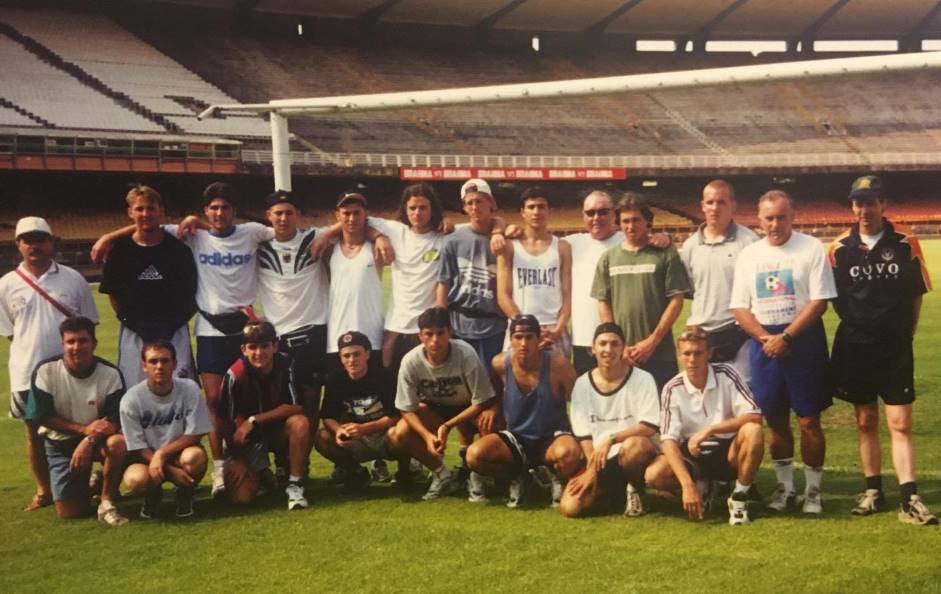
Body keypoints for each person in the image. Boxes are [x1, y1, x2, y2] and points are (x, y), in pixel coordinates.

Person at [92, 181, 275, 498]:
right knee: (210, 401)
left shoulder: (247, 233)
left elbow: (287, 233)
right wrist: (110, 235)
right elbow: (145, 228)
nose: (219, 212)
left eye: (225, 207)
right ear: (206, 211)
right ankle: (202, 467)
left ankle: (258, 465)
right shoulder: (188, 237)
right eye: (213, 208)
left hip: (234, 329)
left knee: (246, 398)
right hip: (199, 332)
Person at [828, 175, 937, 525]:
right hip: (856, 346)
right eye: (858, 202)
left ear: (883, 204)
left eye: (871, 201)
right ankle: (873, 489)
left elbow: (916, 293)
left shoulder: (906, 242)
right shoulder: (838, 248)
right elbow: (835, 299)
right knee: (865, 420)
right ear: (852, 206)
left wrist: (904, 333)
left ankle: (910, 497)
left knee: (900, 422)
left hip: (894, 346)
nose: (864, 209)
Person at [730, 190, 837, 515]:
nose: (775, 224)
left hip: (802, 340)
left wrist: (787, 337)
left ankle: (813, 493)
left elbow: (819, 301)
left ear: (793, 216)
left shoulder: (811, 248)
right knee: (775, 420)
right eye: (769, 218)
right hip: (764, 344)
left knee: (808, 420)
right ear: (758, 219)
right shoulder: (749, 255)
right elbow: (739, 307)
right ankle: (786, 488)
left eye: (781, 217)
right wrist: (766, 338)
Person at [1, 216, 98, 512]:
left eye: (40, 239)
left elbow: (89, 324)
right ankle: (43, 490)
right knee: (34, 433)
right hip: (27, 372)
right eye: (28, 240)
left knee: (84, 426)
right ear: (18, 245)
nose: (35, 245)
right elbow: (10, 333)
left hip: (73, 372)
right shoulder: (6, 285)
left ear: (52, 242)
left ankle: (90, 480)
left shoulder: (73, 279)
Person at [645, 326, 764, 525]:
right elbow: (668, 441)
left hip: (728, 451)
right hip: (693, 456)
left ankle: (739, 497)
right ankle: (704, 488)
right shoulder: (671, 388)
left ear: (709, 353)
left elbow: (754, 416)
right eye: (687, 354)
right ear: (679, 355)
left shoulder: (727, 373)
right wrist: (687, 485)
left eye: (698, 353)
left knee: (753, 431)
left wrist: (710, 430)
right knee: (654, 474)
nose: (692, 360)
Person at [465, 314, 581, 508]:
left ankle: (555, 476)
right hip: (516, 438)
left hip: (552, 438)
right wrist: (494, 408)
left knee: (568, 453)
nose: (523, 343)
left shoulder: (558, 365)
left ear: (539, 339)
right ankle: (519, 477)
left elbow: (579, 404)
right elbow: (494, 393)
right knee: (474, 456)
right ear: (510, 340)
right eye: (518, 337)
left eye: (529, 337)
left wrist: (582, 442)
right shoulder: (500, 364)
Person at [386, 307, 498, 501]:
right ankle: (442, 474)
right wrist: (427, 435)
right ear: (420, 335)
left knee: (491, 420)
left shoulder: (465, 354)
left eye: (440, 333)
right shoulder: (411, 361)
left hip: (468, 407)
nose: (435, 340)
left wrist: (448, 426)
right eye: (429, 334)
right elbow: (406, 408)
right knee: (399, 433)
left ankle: (476, 474)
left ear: (450, 332)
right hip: (435, 407)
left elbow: (482, 399)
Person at [25, 316, 127, 525]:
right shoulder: (46, 371)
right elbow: (43, 416)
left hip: (98, 441)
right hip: (60, 442)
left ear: (94, 343)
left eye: (83, 340)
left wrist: (88, 440)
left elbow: (114, 420)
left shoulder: (110, 374)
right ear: (62, 344)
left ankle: (107, 500)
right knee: (70, 512)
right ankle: (95, 483)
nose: (76, 347)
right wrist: (83, 430)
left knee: (118, 443)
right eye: (70, 342)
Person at [99, 184, 198, 386]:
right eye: (139, 209)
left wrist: (170, 325)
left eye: (151, 208)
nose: (146, 214)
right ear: (130, 212)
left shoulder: (179, 250)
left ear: (161, 211)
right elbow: (113, 294)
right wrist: (133, 323)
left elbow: (191, 294)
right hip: (134, 332)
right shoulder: (120, 251)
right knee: (133, 389)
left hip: (174, 332)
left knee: (182, 388)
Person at [558, 322, 660, 518]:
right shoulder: (581, 384)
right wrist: (591, 472)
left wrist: (612, 439)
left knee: (635, 445)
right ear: (592, 348)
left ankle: (635, 489)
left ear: (623, 347)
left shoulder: (643, 378)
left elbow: (649, 427)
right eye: (603, 344)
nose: (608, 350)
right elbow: (584, 436)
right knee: (570, 508)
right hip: (599, 460)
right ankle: (612, 495)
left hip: (632, 455)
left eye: (614, 344)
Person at [591, 193, 690, 391]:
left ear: (647, 221)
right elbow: (603, 302)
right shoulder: (608, 258)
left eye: (636, 220)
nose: (630, 226)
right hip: (622, 355)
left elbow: (676, 301)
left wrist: (652, 341)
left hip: (659, 352)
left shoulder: (665, 254)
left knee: (663, 413)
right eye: (625, 221)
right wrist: (619, 345)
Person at [216, 320, 312, 510]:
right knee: (241, 498)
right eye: (252, 347)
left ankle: (295, 484)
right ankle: (261, 473)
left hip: (275, 431)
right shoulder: (235, 374)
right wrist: (238, 458)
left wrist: (255, 420)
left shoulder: (286, 364)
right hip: (246, 440)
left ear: (275, 346)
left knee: (300, 423)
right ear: (243, 349)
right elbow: (225, 422)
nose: (259, 353)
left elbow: (297, 407)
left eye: (264, 346)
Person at [256, 190, 329, 419]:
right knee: (278, 403)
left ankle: (303, 456)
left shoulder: (314, 237)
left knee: (310, 404)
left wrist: (330, 234)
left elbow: (354, 224)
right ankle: (283, 455)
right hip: (277, 339)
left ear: (298, 214)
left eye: (289, 213)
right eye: (278, 213)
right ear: (269, 214)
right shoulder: (258, 244)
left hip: (312, 334)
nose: (283, 218)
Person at [120, 339, 211, 519]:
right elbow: (136, 446)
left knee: (195, 457)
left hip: (179, 455)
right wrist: (168, 469)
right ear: (144, 366)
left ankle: (185, 493)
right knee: (135, 478)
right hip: (147, 460)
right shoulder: (131, 400)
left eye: (165, 360)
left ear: (175, 364)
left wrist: (162, 454)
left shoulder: (190, 388)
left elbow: (195, 434)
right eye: (153, 361)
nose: (159, 366)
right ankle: (152, 495)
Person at [680, 180, 759, 382]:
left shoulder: (749, 242)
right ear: (703, 205)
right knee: (705, 400)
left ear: (733, 205)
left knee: (744, 401)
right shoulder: (690, 246)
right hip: (700, 336)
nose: (715, 208)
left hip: (739, 336)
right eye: (710, 202)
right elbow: (691, 289)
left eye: (721, 202)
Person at [436, 179, 507, 373]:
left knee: (492, 383)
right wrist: (440, 321)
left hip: (494, 326)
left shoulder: (504, 239)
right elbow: (444, 282)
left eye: (479, 201)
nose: (475, 207)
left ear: (491, 203)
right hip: (460, 324)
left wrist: (501, 230)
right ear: (465, 207)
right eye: (469, 203)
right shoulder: (453, 240)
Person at [314, 331, 400, 493]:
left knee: (405, 431)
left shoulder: (383, 375)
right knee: (322, 437)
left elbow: (397, 415)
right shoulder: (335, 379)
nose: (352, 360)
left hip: (386, 434)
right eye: (346, 356)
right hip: (357, 438)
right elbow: (328, 416)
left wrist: (366, 428)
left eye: (356, 354)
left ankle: (405, 471)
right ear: (340, 357)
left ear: (367, 354)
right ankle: (356, 472)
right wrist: (339, 430)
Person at [496, 186, 572, 356]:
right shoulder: (509, 246)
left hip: (552, 328)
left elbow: (567, 295)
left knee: (558, 380)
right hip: (520, 328)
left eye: (541, 206)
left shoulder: (562, 247)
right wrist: (525, 327)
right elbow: (503, 295)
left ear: (549, 210)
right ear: (522, 212)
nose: (536, 212)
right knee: (517, 380)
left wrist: (559, 329)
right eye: (531, 207)